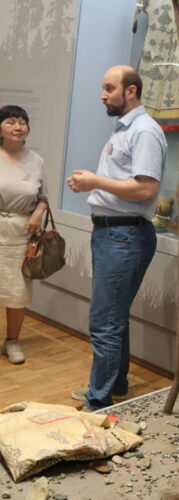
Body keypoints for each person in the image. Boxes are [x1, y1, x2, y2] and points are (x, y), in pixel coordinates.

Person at [66, 65, 168, 411]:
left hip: (124, 235)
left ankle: (98, 402)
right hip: (112, 233)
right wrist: (93, 184)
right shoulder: (126, 129)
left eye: (109, 88)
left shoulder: (145, 131)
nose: (102, 95)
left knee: (104, 322)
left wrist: (94, 181)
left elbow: (146, 189)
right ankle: (115, 386)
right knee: (114, 316)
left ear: (131, 91)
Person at [0, 105, 48, 364]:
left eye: (22, 122)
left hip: (21, 233)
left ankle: (12, 341)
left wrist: (37, 213)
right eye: (10, 122)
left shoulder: (36, 160)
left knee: (17, 290)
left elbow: (43, 198)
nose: (17, 127)